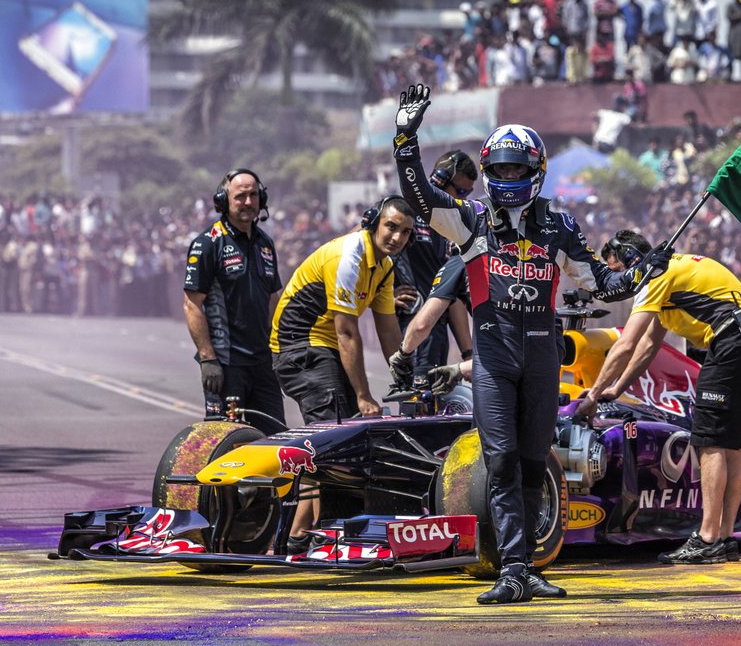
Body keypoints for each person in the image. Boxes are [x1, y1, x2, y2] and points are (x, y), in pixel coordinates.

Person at [392, 84, 671, 604]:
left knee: (532, 459)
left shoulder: (560, 227)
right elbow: (418, 197)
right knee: (498, 461)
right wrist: (406, 136)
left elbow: (600, 285)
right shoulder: (469, 220)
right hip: (493, 360)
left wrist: (642, 272)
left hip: (543, 358)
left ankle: (530, 566)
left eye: (518, 169)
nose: (509, 177)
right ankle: (512, 567)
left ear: (536, 170)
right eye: (500, 169)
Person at [575, 230, 741, 564]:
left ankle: (707, 538)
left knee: (709, 442)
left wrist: (592, 395)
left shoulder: (656, 275)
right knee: (735, 444)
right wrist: (616, 389)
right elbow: (649, 346)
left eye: (616, 270)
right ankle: (724, 537)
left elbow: (626, 344)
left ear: (630, 259)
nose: (619, 280)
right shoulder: (675, 270)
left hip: (728, 337)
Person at [269, 195, 415, 550]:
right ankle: (300, 536)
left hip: (326, 349)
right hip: (299, 347)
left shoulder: (383, 267)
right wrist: (364, 396)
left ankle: (318, 531)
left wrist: (407, 380)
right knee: (332, 441)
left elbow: (387, 330)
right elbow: (347, 332)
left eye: (405, 233)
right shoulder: (349, 256)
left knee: (348, 436)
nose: (396, 237)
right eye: (391, 227)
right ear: (373, 224)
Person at [183, 168, 285, 435]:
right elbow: (192, 304)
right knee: (225, 441)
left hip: (263, 364)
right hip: (226, 366)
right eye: (240, 196)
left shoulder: (265, 243)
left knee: (274, 441)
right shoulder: (207, 244)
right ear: (223, 201)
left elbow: (273, 300)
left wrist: (282, 348)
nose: (249, 202)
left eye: (253, 195)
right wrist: (208, 359)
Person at [391, 150, 477, 385]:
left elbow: (454, 297)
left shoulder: (451, 229)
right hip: (411, 337)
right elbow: (358, 246)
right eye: (460, 192)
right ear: (438, 181)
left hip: (436, 337)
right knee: (417, 413)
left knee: (441, 412)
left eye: (468, 193)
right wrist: (382, 297)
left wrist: (468, 355)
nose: (464, 199)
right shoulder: (402, 212)